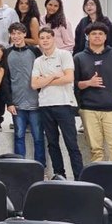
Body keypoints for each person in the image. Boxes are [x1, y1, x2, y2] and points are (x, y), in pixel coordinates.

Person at [74, 22, 112, 162]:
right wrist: (88, 83)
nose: (97, 36)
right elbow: (74, 84)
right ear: (88, 37)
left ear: (106, 37)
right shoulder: (79, 58)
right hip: (89, 110)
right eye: (94, 34)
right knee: (96, 150)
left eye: (101, 34)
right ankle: (98, 181)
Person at [32, 28, 84, 179]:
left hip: (64, 104)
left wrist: (45, 80)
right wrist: (54, 76)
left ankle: (79, 177)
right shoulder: (38, 61)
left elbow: (68, 78)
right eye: (42, 38)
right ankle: (59, 175)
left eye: (48, 37)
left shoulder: (64, 55)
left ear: (53, 38)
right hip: (45, 105)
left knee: (71, 144)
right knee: (52, 144)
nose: (45, 40)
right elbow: (34, 85)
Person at [4, 23, 45, 165]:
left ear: (24, 34)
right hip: (17, 104)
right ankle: (19, 167)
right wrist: (9, 102)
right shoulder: (7, 53)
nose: (16, 36)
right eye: (13, 33)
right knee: (19, 136)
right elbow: (5, 80)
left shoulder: (35, 51)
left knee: (38, 137)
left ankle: (41, 167)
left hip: (36, 103)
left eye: (19, 33)